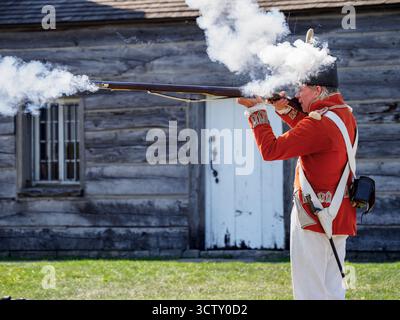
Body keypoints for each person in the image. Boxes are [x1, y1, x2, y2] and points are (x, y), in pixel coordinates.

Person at [237, 60, 358, 300]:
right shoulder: (341, 113)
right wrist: (284, 109)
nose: (296, 94)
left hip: (314, 216)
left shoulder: (321, 123)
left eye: (301, 88)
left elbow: (270, 150)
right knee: (331, 288)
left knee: (309, 291)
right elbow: (310, 132)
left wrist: (256, 111)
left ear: (318, 90)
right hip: (337, 214)